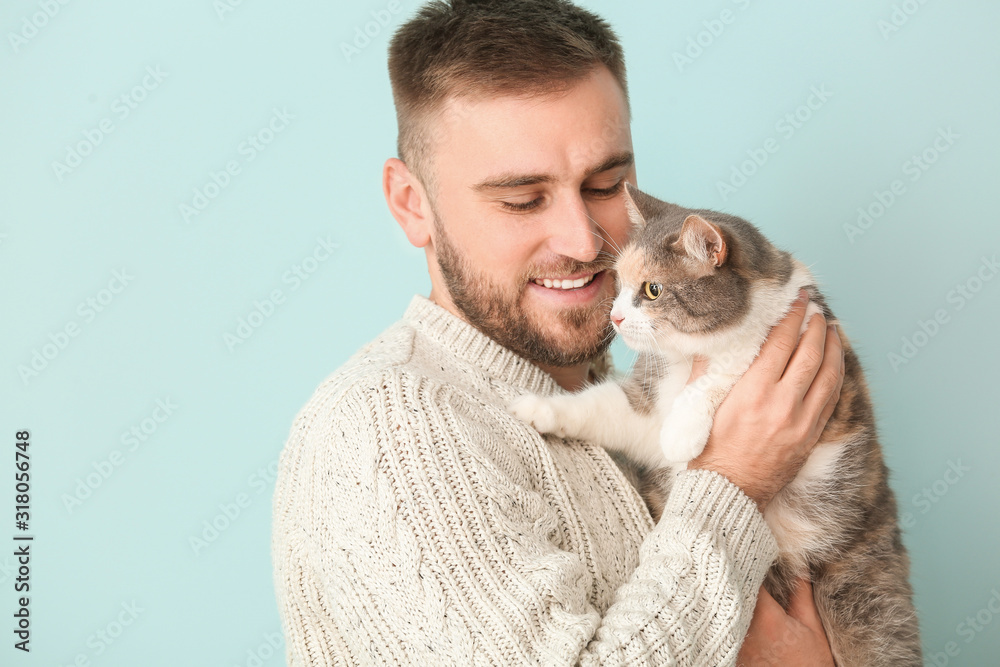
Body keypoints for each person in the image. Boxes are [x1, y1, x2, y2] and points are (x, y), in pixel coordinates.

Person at [271, 1, 845, 664]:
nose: (584, 241)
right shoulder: (384, 425)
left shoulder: (630, 399)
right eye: (522, 198)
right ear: (411, 204)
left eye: (606, 183)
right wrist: (735, 480)